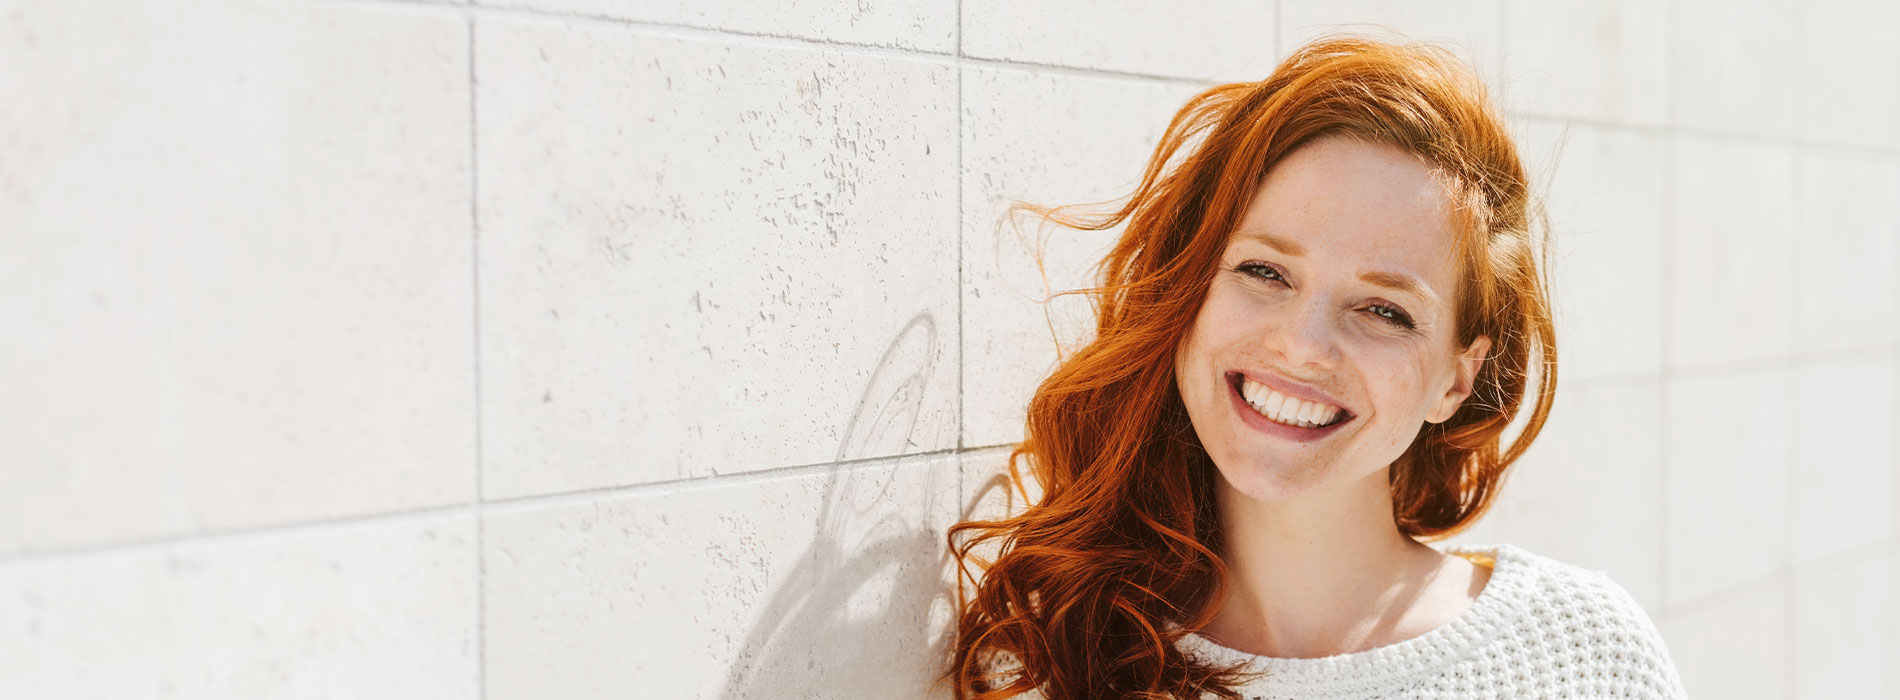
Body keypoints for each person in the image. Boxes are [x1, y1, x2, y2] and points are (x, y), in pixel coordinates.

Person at [941, 35, 1688, 700]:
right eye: (1264, 272)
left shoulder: (1583, 656)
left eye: (1385, 311)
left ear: (1455, 381)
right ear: (1190, 288)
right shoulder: (1048, 663)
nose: (1302, 345)